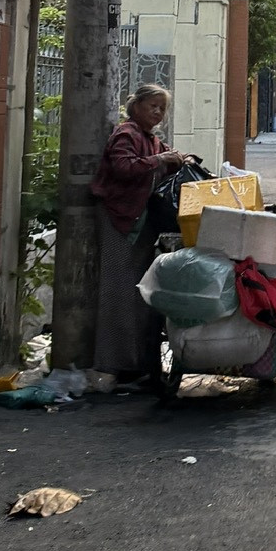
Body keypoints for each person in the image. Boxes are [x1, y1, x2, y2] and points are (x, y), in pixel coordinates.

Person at [91, 83, 196, 379]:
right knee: (118, 292)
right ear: (136, 106)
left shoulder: (150, 139)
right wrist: (160, 160)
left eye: (163, 108)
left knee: (140, 294)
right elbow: (124, 167)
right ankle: (115, 364)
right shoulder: (126, 134)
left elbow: (169, 157)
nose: (159, 113)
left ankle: (139, 364)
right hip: (120, 220)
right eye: (153, 106)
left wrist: (181, 159)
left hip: (140, 224)